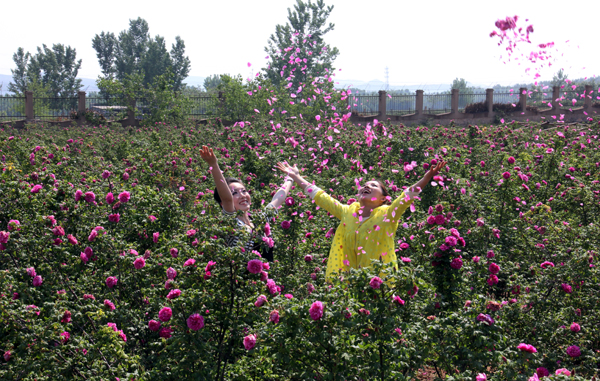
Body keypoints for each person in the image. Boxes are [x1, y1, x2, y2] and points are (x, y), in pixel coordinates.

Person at [276, 160, 447, 278]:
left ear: (383, 199)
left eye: (373, 186)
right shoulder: (346, 212)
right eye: (364, 185)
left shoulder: (388, 214)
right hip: (351, 282)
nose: (366, 186)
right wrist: (296, 176)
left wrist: (426, 178)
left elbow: (407, 196)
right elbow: (320, 196)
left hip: (379, 282)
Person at [200, 146, 293, 261]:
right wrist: (213, 165)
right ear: (222, 203)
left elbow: (277, 200)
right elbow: (227, 199)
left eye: (244, 191)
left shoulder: (258, 220)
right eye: (235, 193)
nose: (243, 195)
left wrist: (291, 178)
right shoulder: (232, 223)